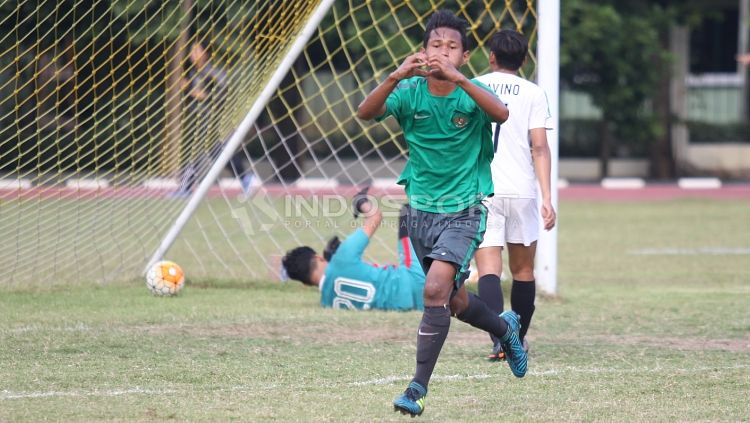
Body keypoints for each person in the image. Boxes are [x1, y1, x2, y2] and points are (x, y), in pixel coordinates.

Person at [356, 10, 527, 417]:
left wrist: (462, 80)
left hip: (464, 211)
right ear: (423, 51)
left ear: (465, 56)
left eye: (452, 47)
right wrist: (396, 75)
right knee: (452, 301)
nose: (443, 52)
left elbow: (502, 114)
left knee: (433, 290)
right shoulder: (409, 90)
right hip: (419, 212)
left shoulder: (472, 91)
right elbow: (365, 112)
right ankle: (506, 329)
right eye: (437, 45)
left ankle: (416, 389)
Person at [474, 29, 556, 361]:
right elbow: (540, 146)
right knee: (523, 271)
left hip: (482, 189)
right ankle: (516, 341)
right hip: (523, 191)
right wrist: (547, 198)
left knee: (489, 269)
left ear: (491, 56)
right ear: (523, 61)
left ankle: (499, 341)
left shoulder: (473, 85)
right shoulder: (534, 93)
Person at [281, 196, 425, 311]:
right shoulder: (341, 258)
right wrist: (360, 201)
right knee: (409, 210)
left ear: (306, 284)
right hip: (414, 280)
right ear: (317, 257)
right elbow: (375, 216)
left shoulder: (327, 304)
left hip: (418, 304)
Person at [173, 41, 255, 197]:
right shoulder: (193, 73)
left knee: (204, 152)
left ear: (206, 53)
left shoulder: (213, 73)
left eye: (197, 50)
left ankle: (186, 188)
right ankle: (245, 179)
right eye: (192, 51)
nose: (193, 55)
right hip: (200, 120)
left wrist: (190, 90)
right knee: (214, 154)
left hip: (213, 122)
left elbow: (216, 96)